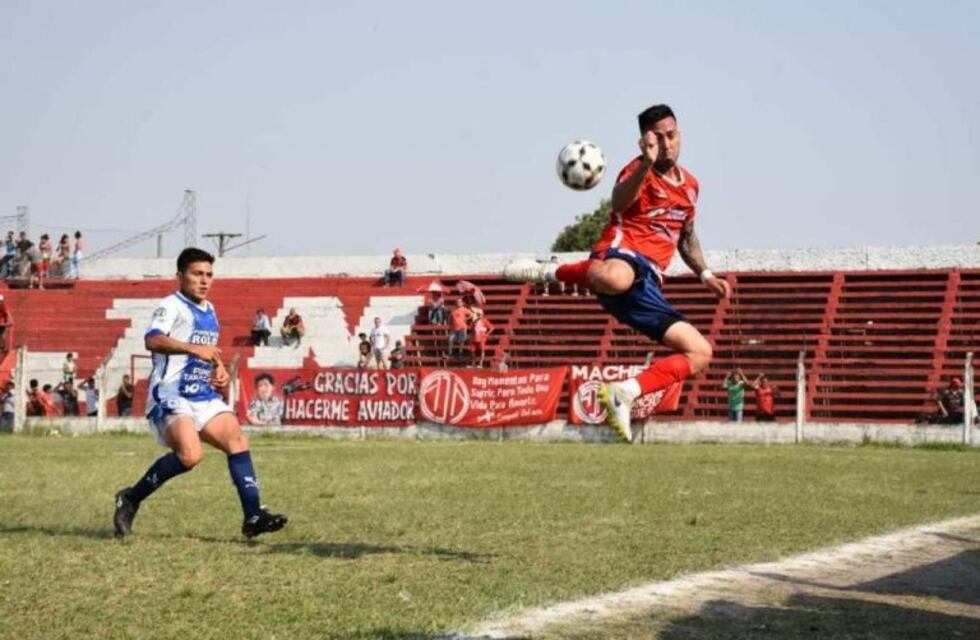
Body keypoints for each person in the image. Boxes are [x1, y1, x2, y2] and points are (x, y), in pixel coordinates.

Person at [504, 104, 729, 442]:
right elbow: (619, 203)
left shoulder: (691, 186)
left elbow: (686, 237)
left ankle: (624, 393)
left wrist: (706, 275)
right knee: (616, 277)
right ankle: (551, 271)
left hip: (649, 282)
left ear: (679, 134)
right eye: (658, 138)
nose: (667, 144)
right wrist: (646, 164)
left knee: (700, 352)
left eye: (671, 135)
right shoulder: (637, 169)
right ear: (645, 140)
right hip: (621, 254)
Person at [113, 247, 287, 539]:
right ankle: (130, 498)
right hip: (170, 393)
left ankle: (253, 516)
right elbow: (152, 340)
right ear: (180, 276)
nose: (204, 280)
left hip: (201, 394)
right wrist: (194, 349)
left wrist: (218, 367)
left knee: (237, 441)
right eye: (197, 274)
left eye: (208, 274)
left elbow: (208, 349)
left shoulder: (210, 309)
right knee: (191, 455)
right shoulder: (171, 305)